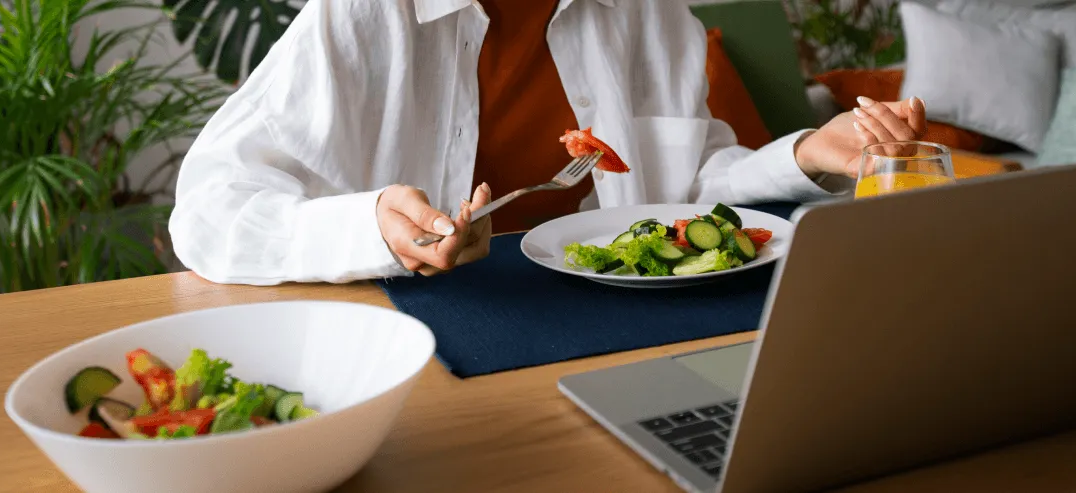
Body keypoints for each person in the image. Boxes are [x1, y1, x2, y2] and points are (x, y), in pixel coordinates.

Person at [169, 0, 928, 285]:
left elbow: (688, 182)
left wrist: (804, 154)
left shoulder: (652, 16)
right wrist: (371, 224)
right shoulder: (363, 16)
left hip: (622, 329)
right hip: (424, 336)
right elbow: (209, 205)